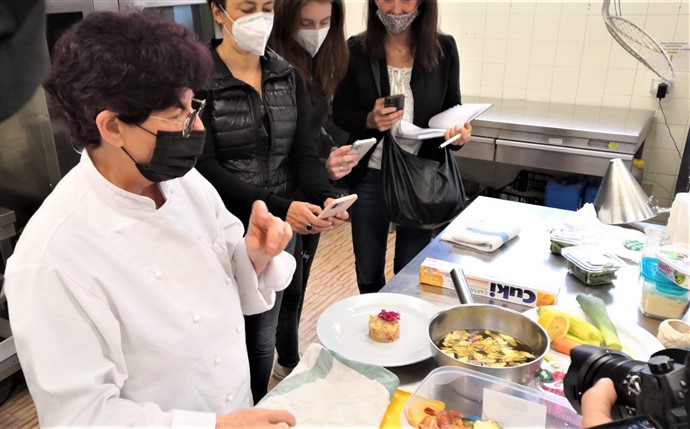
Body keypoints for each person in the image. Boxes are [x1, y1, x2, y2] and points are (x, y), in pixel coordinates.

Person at [2, 11, 297, 428]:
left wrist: (254, 255)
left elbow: (224, 276)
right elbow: (81, 416)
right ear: (112, 126)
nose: (195, 126)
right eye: (177, 115)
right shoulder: (52, 257)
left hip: (233, 404)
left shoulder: (184, 182)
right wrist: (212, 426)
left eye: (193, 106)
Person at [199, 0, 348, 404]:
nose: (260, 18)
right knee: (231, 336)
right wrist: (280, 207)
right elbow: (205, 167)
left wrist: (323, 197)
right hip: (226, 230)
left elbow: (302, 154)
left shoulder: (285, 74)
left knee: (265, 334)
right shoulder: (200, 81)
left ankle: (256, 407)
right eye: (247, 7)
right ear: (218, 11)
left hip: (282, 230)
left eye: (267, 7)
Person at [332, 0, 472, 294]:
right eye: (386, 0)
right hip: (370, 175)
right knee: (368, 270)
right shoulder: (356, 49)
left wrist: (457, 135)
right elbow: (339, 113)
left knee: (409, 272)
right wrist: (369, 119)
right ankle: (376, 318)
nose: (395, 10)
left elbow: (452, 110)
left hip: (421, 177)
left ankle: (402, 319)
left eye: (406, 0)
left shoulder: (443, 49)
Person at [268, 0, 352, 380]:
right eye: (306, 22)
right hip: (275, 198)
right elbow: (279, 147)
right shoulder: (274, 69)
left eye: (324, 22)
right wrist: (319, 169)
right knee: (275, 291)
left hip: (308, 191)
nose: (316, 32)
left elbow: (308, 136)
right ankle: (277, 362)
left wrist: (326, 166)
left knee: (297, 282)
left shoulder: (318, 63)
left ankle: (287, 359)